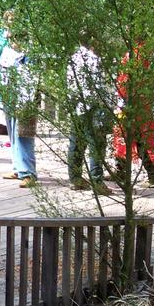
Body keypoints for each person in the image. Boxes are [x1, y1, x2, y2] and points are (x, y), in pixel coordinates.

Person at [66, 35, 111, 195]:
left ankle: (75, 178)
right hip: (92, 108)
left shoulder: (73, 57)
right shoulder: (94, 59)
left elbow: (70, 85)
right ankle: (97, 181)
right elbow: (99, 87)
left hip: (77, 106)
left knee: (76, 143)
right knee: (96, 145)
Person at [113, 39, 154, 187]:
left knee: (132, 135)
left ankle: (152, 174)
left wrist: (123, 100)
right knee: (130, 135)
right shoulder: (144, 51)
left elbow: (127, 80)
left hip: (132, 102)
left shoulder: (136, 53)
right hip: (139, 101)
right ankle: (121, 170)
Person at [0, 30, 38, 188]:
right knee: (13, 135)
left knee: (24, 135)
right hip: (10, 98)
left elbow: (32, 79)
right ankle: (18, 168)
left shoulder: (30, 56)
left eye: (15, 38)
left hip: (25, 100)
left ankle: (28, 173)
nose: (12, 41)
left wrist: (26, 102)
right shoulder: (7, 53)